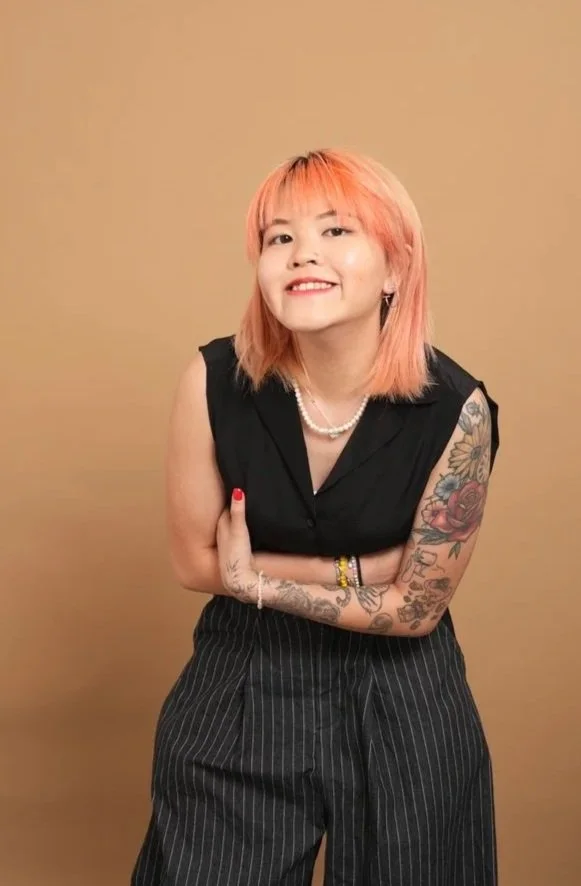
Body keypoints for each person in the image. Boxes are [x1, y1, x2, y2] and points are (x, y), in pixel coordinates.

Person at [131, 148, 500, 886]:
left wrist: (258, 576)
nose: (304, 254)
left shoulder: (456, 410)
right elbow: (196, 564)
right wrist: (365, 571)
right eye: (279, 236)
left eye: (337, 232)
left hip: (403, 695)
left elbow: (414, 611)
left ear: (395, 267)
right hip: (239, 684)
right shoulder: (211, 381)